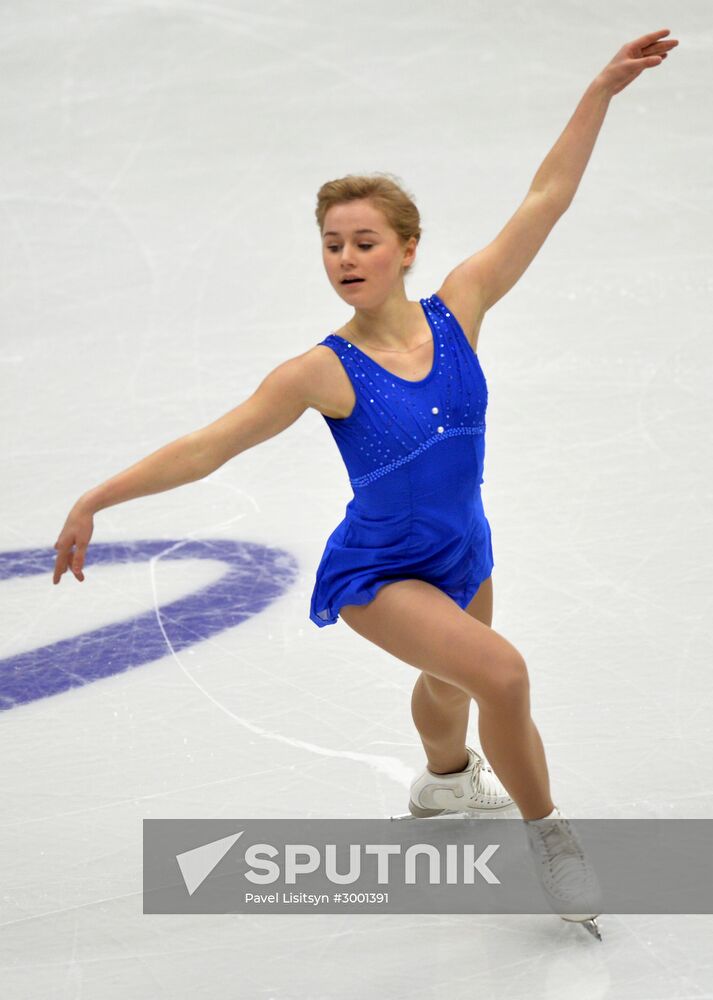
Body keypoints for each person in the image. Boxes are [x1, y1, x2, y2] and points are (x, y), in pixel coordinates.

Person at [52, 29, 678, 937]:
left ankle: (444, 783)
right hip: (380, 570)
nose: (345, 259)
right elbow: (208, 446)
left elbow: (546, 198)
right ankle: (553, 846)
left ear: (406, 248)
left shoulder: (460, 306)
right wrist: (96, 498)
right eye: (332, 245)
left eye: (364, 242)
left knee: (453, 686)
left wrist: (599, 92)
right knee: (500, 671)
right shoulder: (320, 371)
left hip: (465, 549)